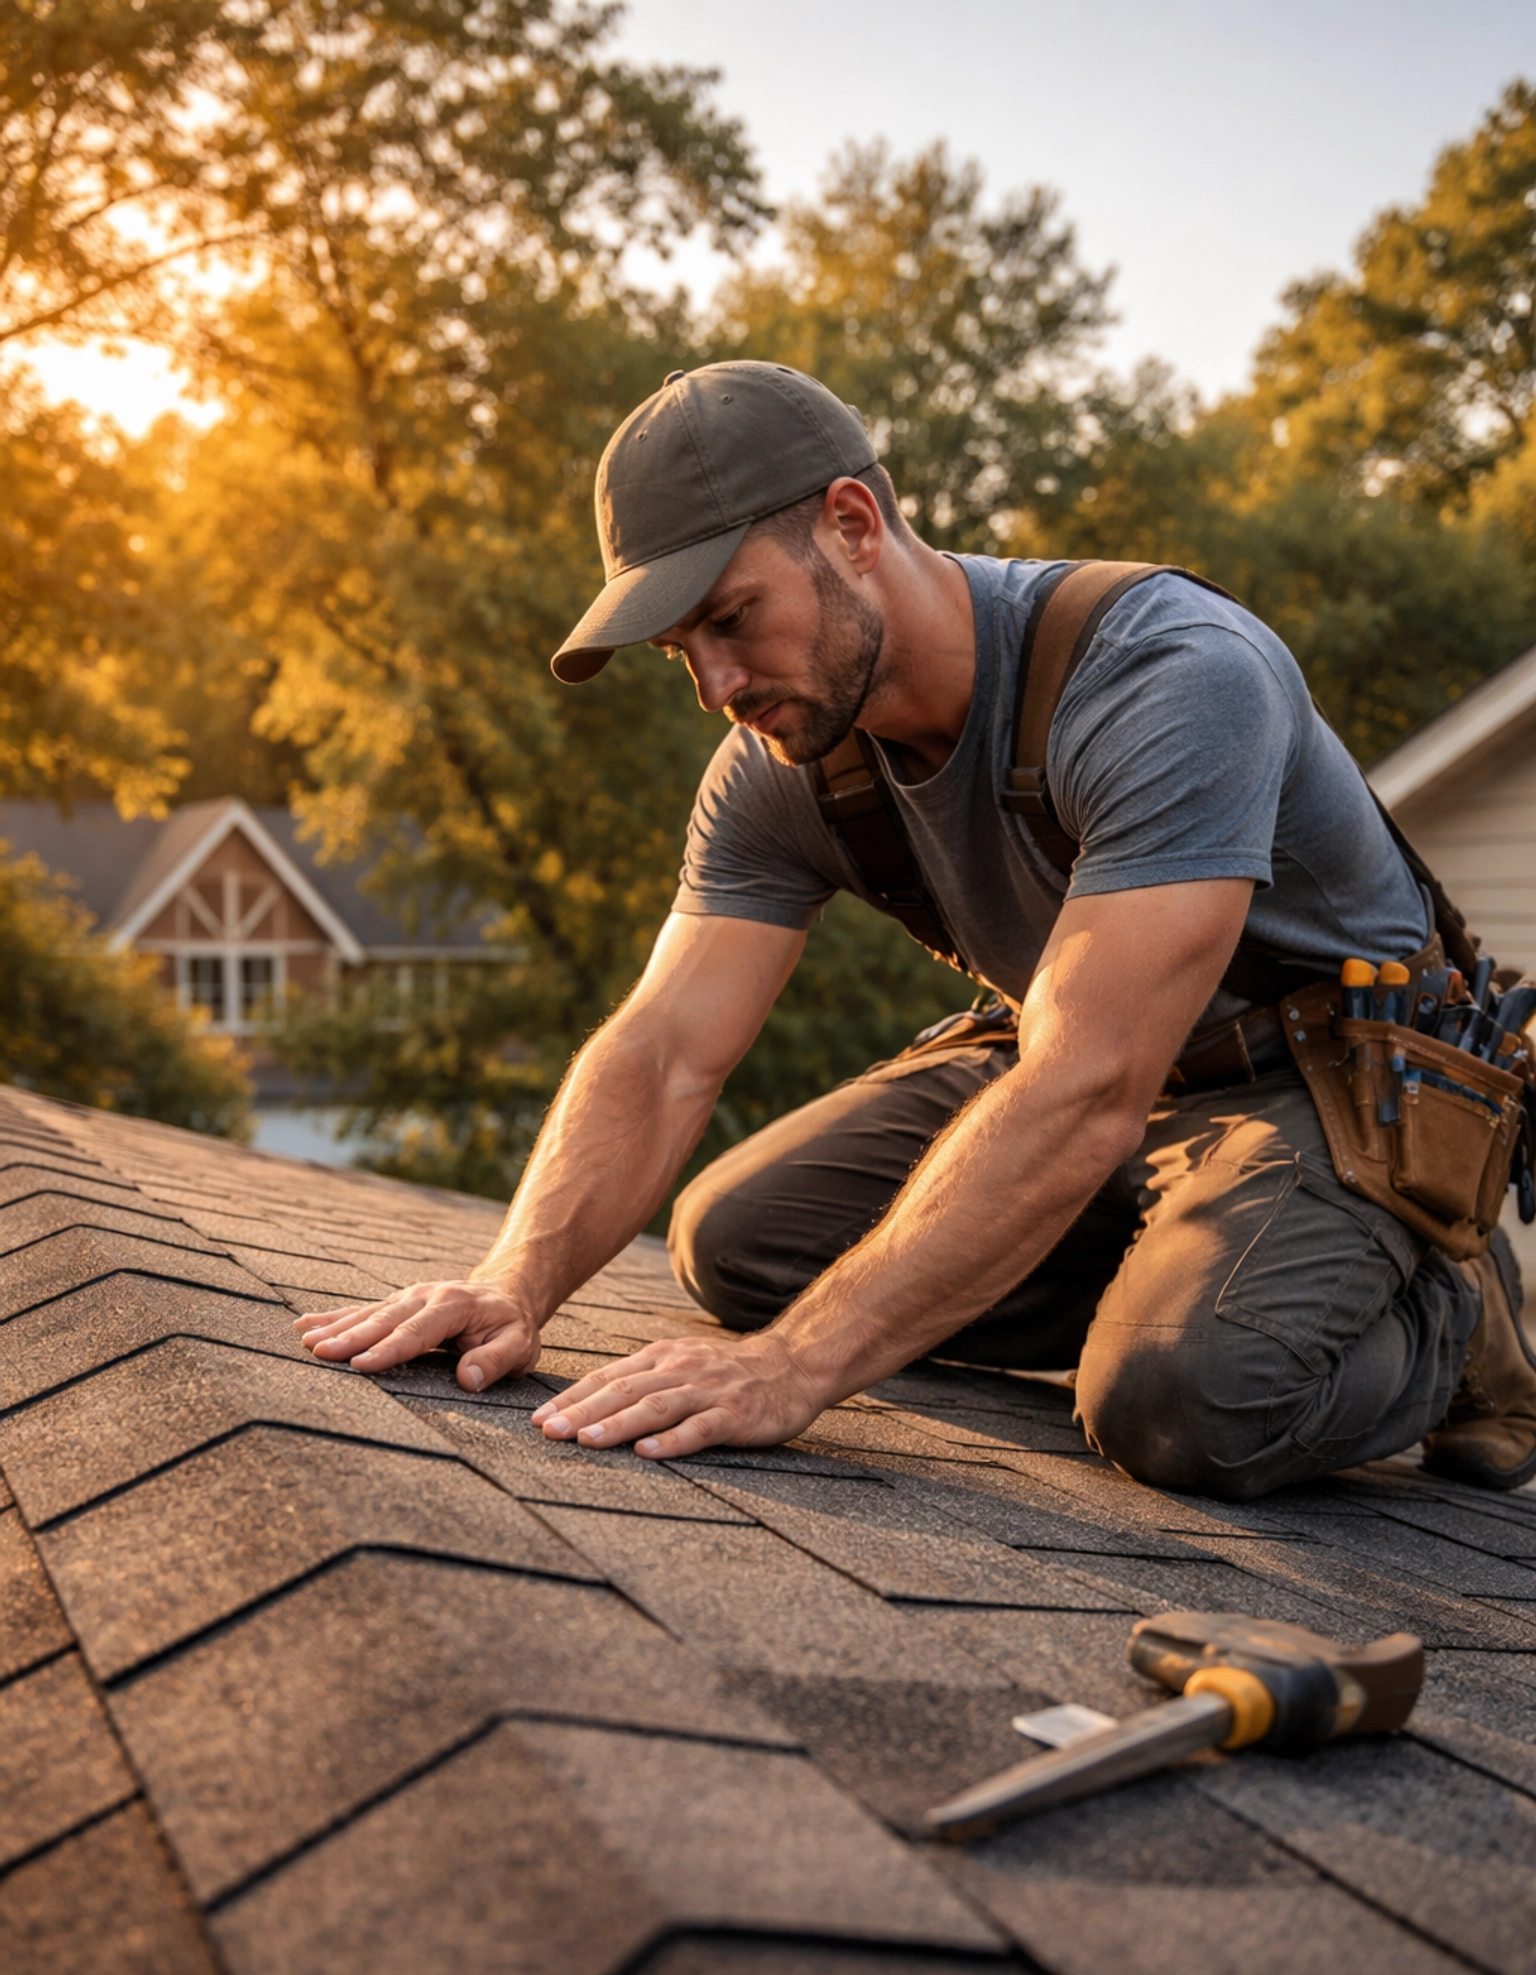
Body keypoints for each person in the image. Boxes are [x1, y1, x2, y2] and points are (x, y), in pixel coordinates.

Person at [296, 361, 1536, 1499]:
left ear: (852, 524)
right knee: (738, 1247)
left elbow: (1089, 1082)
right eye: (682, 650)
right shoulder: (783, 758)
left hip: (1314, 1086)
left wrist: (796, 1370)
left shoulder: (1166, 675)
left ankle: (1444, 1305)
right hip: (1082, 1074)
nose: (717, 688)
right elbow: (668, 1046)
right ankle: (1202, 1283)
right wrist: (514, 1280)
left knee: (1182, 1401)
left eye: (731, 619)